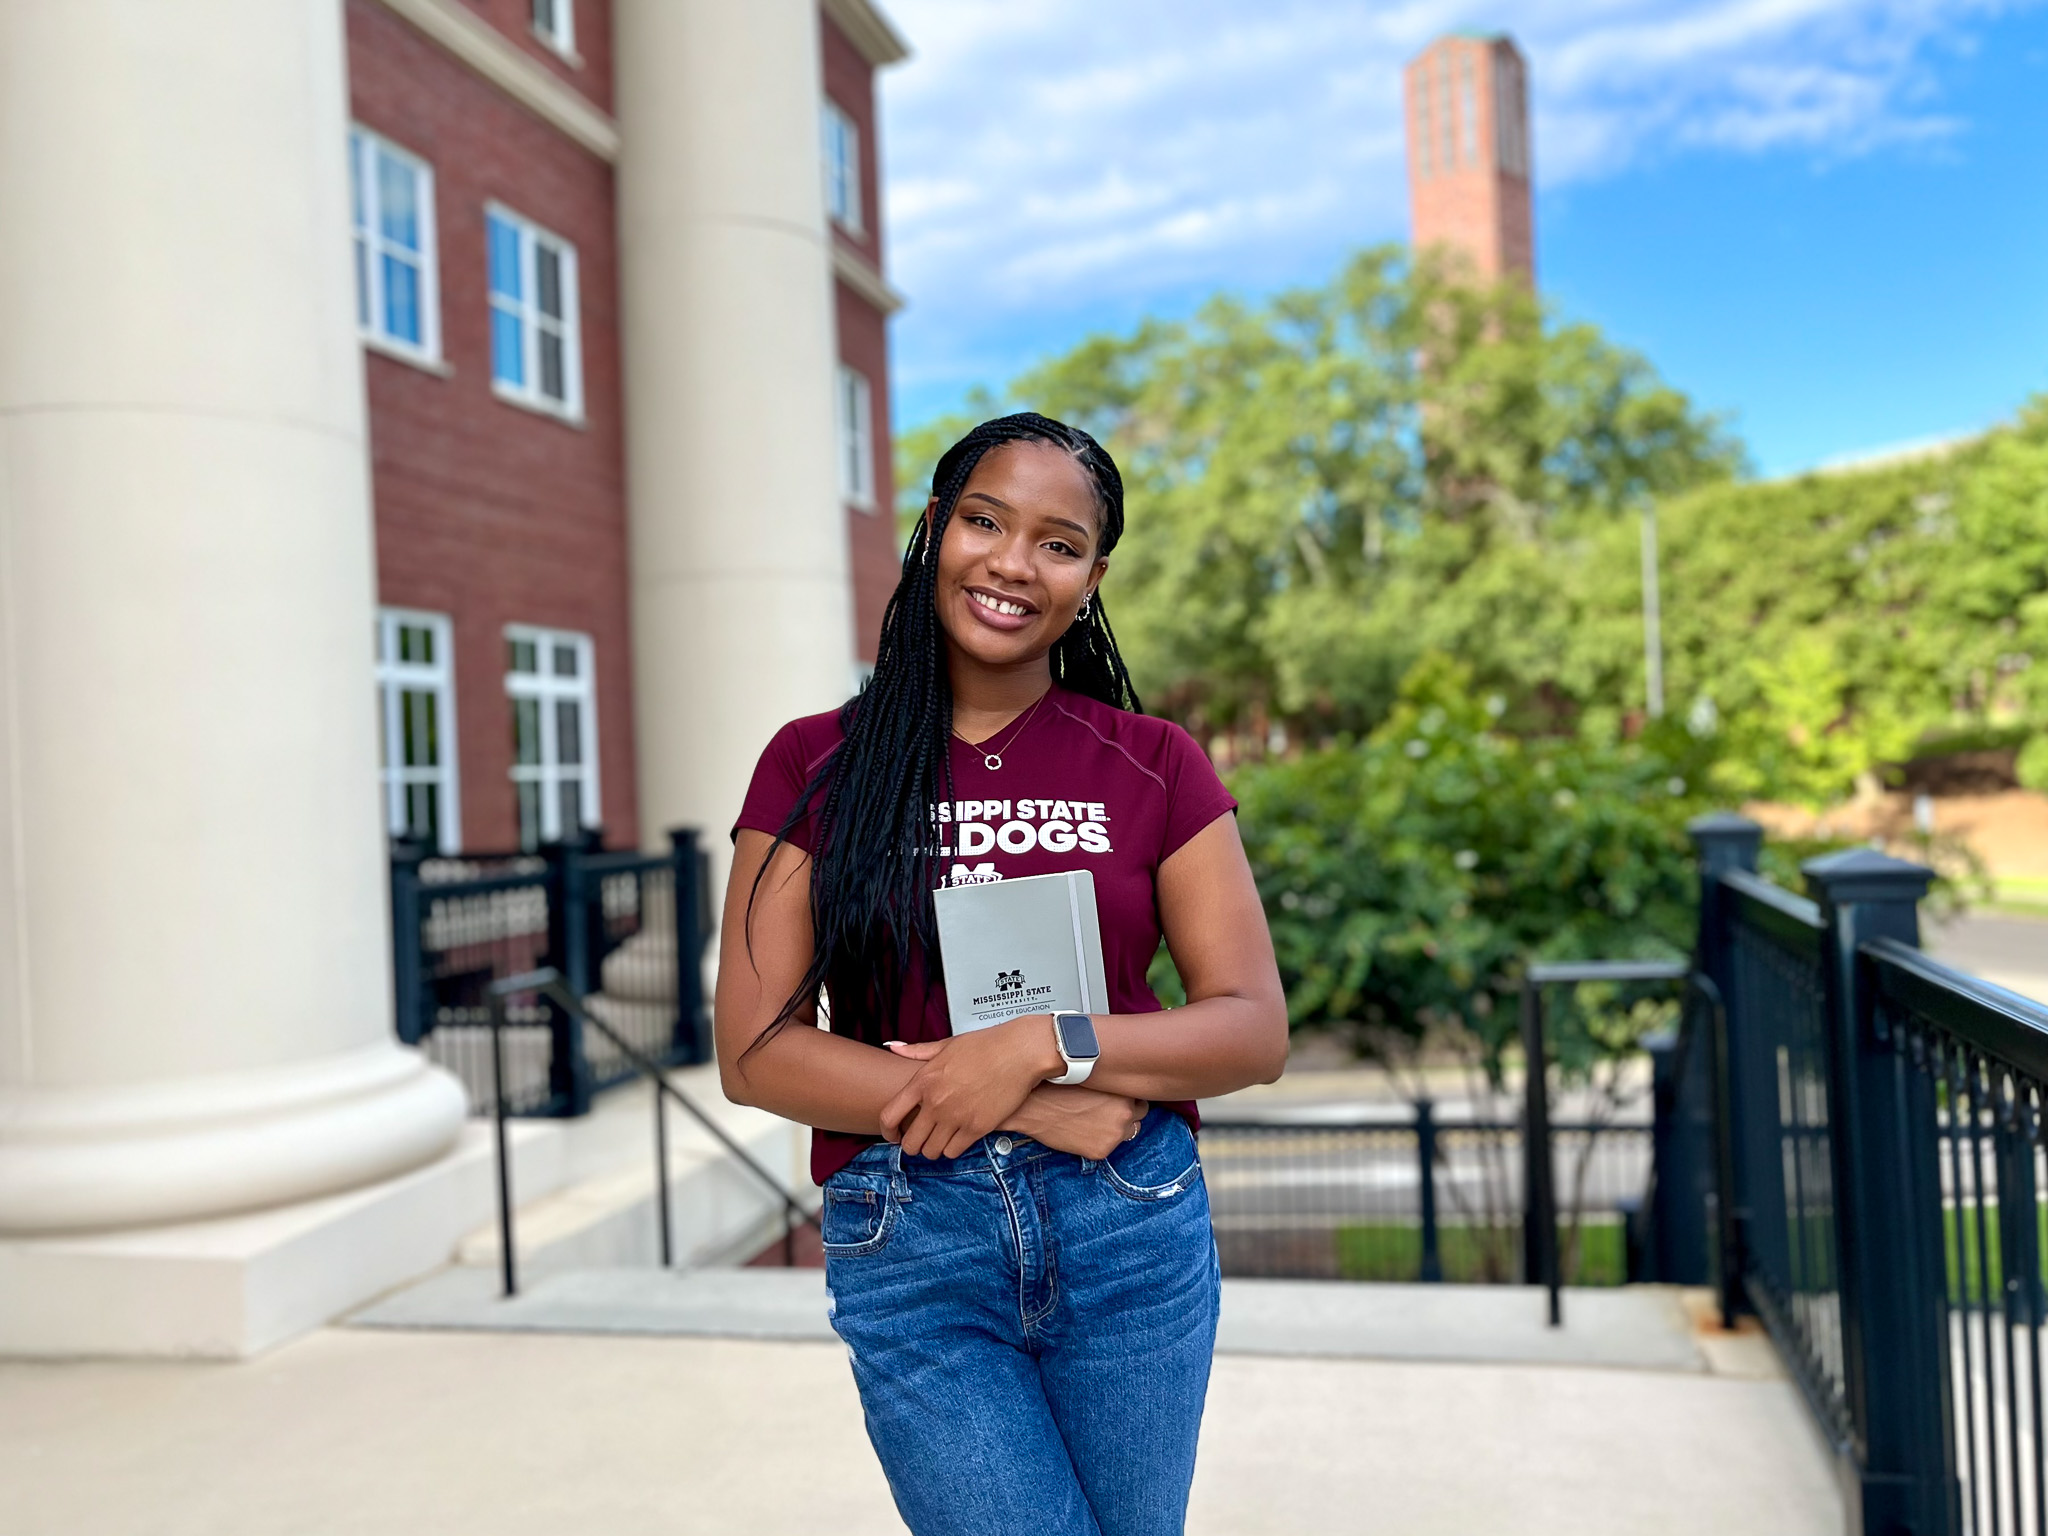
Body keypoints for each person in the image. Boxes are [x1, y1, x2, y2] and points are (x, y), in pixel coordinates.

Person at [716, 412, 1288, 1536]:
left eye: (1058, 542)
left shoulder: (1153, 760)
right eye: (985, 521)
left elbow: (1251, 1028)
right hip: (911, 1235)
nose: (1013, 564)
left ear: (1091, 578)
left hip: (1126, 1223)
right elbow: (755, 1051)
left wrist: (1041, 1046)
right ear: (934, 530)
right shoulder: (809, 761)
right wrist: (1020, 1109)